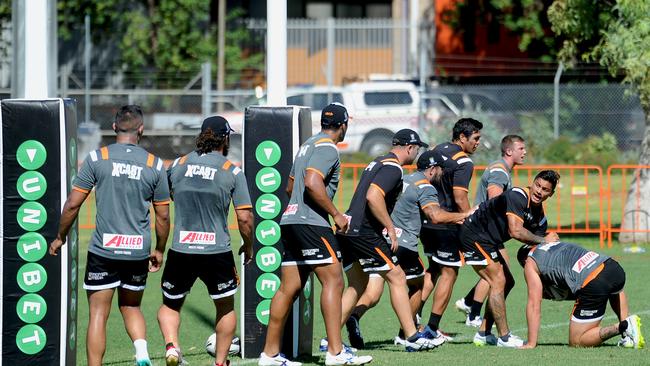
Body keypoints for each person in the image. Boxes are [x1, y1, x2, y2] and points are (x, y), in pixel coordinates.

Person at [49, 105, 170, 366]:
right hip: (138, 249)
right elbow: (163, 216)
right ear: (141, 129)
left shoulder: (96, 158)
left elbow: (72, 204)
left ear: (114, 128)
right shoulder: (155, 164)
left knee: (98, 314)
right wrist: (159, 249)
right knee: (131, 307)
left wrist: (60, 236)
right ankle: (141, 352)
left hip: (104, 250)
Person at [259, 103, 372, 366]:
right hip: (311, 224)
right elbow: (311, 182)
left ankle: (270, 355)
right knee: (334, 281)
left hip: (290, 220)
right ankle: (335, 352)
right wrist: (336, 214)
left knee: (288, 288)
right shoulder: (327, 147)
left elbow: (290, 187)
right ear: (343, 125)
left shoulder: (306, 146)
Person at [341, 150, 472, 348]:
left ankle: (354, 315)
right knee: (418, 284)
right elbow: (435, 215)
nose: (442, 175)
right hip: (404, 245)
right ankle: (407, 333)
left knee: (374, 291)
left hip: (381, 241)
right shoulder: (425, 186)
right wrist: (462, 216)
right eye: (440, 171)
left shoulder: (405, 179)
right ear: (432, 169)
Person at [158, 116, 254, 366]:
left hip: (181, 249)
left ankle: (171, 346)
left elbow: (165, 198)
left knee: (170, 304)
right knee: (225, 307)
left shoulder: (177, 165)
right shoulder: (232, 171)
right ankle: (221, 363)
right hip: (216, 251)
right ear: (226, 138)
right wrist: (249, 245)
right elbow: (244, 218)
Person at [338, 129, 443, 352]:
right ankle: (412, 337)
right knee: (397, 277)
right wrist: (390, 228)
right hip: (364, 231)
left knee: (357, 284)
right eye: (417, 149)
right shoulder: (393, 167)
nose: (417, 154)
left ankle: (331, 339)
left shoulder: (378, 161)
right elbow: (373, 196)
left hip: (347, 228)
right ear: (409, 148)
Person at [459, 170, 561, 347]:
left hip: (489, 240)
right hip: (474, 233)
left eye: (545, 189)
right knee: (498, 280)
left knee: (508, 282)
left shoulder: (540, 218)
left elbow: (536, 248)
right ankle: (504, 337)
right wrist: (545, 239)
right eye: (537, 185)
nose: (539, 191)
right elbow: (516, 231)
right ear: (533, 182)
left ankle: (483, 332)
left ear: (551, 194)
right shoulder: (518, 195)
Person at [419, 118, 483, 341]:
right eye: (475, 138)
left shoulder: (436, 149)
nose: (478, 143)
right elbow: (460, 196)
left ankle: (413, 322)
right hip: (447, 224)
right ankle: (431, 328)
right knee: (449, 273)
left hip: (426, 221)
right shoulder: (464, 162)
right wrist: (469, 223)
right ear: (462, 137)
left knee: (433, 270)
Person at [456, 135, 527, 327]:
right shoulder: (499, 171)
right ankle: (473, 312)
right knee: (497, 274)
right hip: (482, 231)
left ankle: (470, 304)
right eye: (521, 148)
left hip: (486, 230)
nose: (525, 152)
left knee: (500, 273)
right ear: (509, 151)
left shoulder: (502, 169)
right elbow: (495, 199)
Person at [517, 242, 644, 349]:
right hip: (612, 266)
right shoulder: (552, 244)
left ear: (523, 261)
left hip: (594, 280)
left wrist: (531, 343)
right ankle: (629, 334)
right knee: (614, 289)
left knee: (577, 340)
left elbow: (534, 304)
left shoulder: (530, 261)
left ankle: (623, 326)